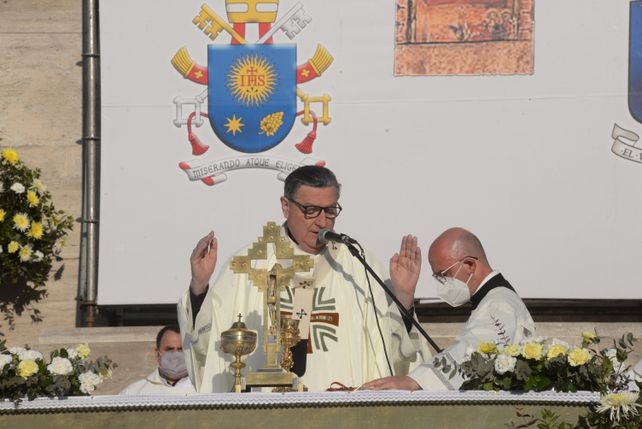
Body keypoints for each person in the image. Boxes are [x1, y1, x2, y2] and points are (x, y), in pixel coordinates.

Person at [177, 165, 431, 392]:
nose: (322, 221)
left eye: (330, 210)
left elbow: (396, 354)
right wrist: (199, 286)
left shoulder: (357, 263)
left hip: (347, 408)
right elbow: (211, 348)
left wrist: (404, 297)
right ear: (286, 206)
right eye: (310, 210)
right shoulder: (250, 264)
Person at [364, 227, 535, 391]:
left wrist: (415, 380)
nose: (441, 283)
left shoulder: (500, 303)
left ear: (469, 265)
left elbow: (473, 351)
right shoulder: (492, 300)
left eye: (443, 274)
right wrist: (404, 295)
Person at [120, 325, 196, 395]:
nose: (175, 355)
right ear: (157, 354)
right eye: (169, 349)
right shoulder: (134, 393)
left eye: (181, 349)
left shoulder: (203, 390)